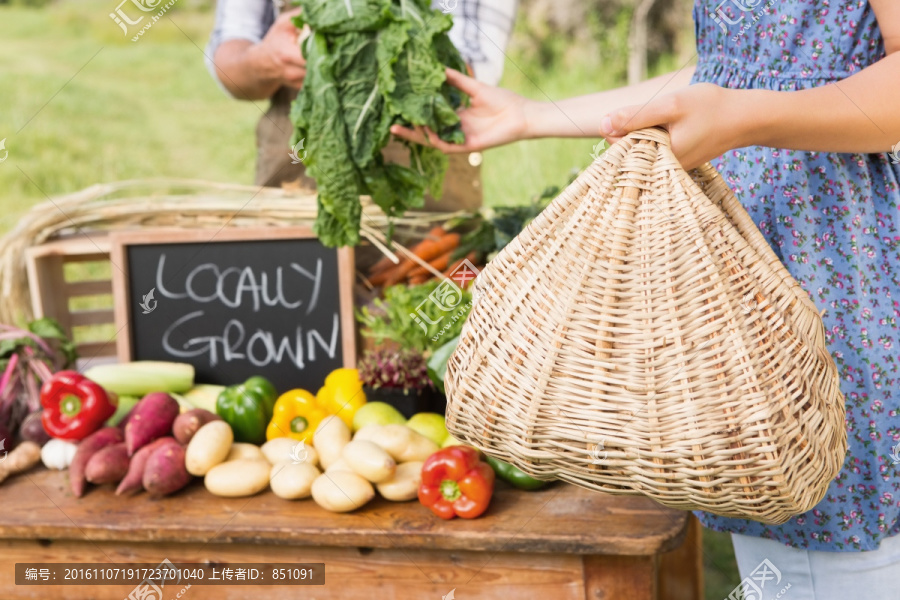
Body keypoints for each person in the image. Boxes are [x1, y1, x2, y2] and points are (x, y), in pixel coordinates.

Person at [392, 0, 900, 597]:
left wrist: (745, 119)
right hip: (749, 259)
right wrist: (531, 116)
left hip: (827, 258)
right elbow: (736, 68)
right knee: (781, 543)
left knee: (832, 547)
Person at [204, 0, 518, 214]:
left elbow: (472, 67)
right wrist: (265, 60)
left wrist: (375, 51)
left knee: (422, 292)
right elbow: (232, 51)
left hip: (422, 171)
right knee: (293, 295)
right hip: (295, 178)